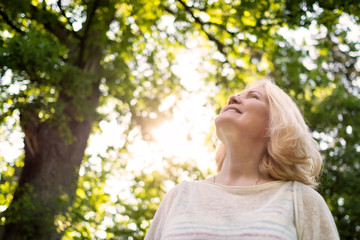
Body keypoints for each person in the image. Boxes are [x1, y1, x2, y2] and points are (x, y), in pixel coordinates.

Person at [145, 78, 339, 240]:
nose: (233, 97)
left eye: (254, 96)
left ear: (277, 122)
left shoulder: (301, 200)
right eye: (237, 95)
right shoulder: (180, 196)